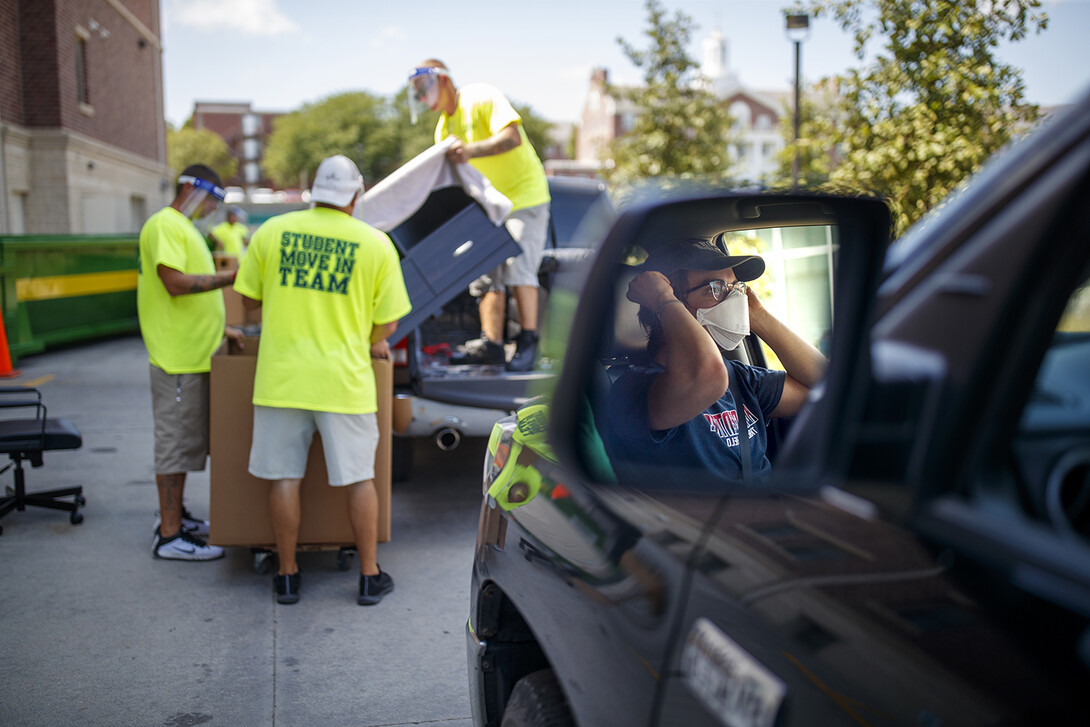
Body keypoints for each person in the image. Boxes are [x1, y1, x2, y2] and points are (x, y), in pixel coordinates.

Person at [235, 154, 412, 606]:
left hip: (282, 378)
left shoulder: (270, 232)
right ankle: (370, 576)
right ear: (354, 197)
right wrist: (367, 338)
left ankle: (288, 575)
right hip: (344, 380)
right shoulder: (375, 244)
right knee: (359, 479)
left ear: (314, 192)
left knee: (284, 478)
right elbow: (387, 325)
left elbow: (249, 302)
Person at [606, 235, 827, 487]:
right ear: (674, 303)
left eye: (735, 288)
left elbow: (825, 385)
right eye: (716, 288)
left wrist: (758, 315)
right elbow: (708, 376)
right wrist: (662, 299)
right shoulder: (634, 390)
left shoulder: (742, 379)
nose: (735, 300)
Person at [408, 59, 551, 372]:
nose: (421, 97)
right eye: (417, 93)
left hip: (523, 197)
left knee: (517, 267)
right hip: (489, 205)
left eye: (423, 89)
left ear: (443, 81)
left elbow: (511, 137)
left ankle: (529, 341)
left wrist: (471, 151)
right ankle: (492, 344)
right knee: (485, 273)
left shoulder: (481, 97)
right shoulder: (443, 129)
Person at [139, 164, 244, 561]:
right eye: (211, 198)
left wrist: (219, 331)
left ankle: (176, 518)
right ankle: (170, 536)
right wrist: (233, 276)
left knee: (183, 443)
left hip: (193, 354)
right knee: (175, 444)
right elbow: (175, 284)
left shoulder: (184, 229)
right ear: (190, 188)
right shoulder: (166, 224)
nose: (213, 208)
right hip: (177, 359)